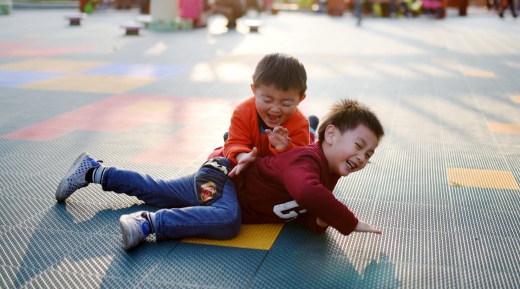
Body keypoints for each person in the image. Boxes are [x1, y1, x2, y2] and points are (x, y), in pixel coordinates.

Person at [55, 99, 384, 251]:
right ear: (329, 136)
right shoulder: (306, 161)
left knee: (159, 190)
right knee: (227, 221)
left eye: (368, 154)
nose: (362, 157)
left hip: (221, 185)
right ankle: (150, 223)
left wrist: (319, 222)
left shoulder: (327, 174)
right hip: (225, 177)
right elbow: (308, 195)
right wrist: (349, 222)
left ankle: (95, 171)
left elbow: (306, 210)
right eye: (358, 145)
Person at [208, 52, 316, 177]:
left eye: (286, 103)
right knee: (215, 157)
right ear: (254, 91)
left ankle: (312, 128)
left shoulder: (300, 123)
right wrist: (242, 156)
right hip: (249, 158)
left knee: (312, 150)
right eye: (267, 100)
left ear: (300, 100)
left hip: (275, 168)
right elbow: (235, 143)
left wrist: (285, 148)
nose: (275, 109)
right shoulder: (243, 112)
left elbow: (301, 161)